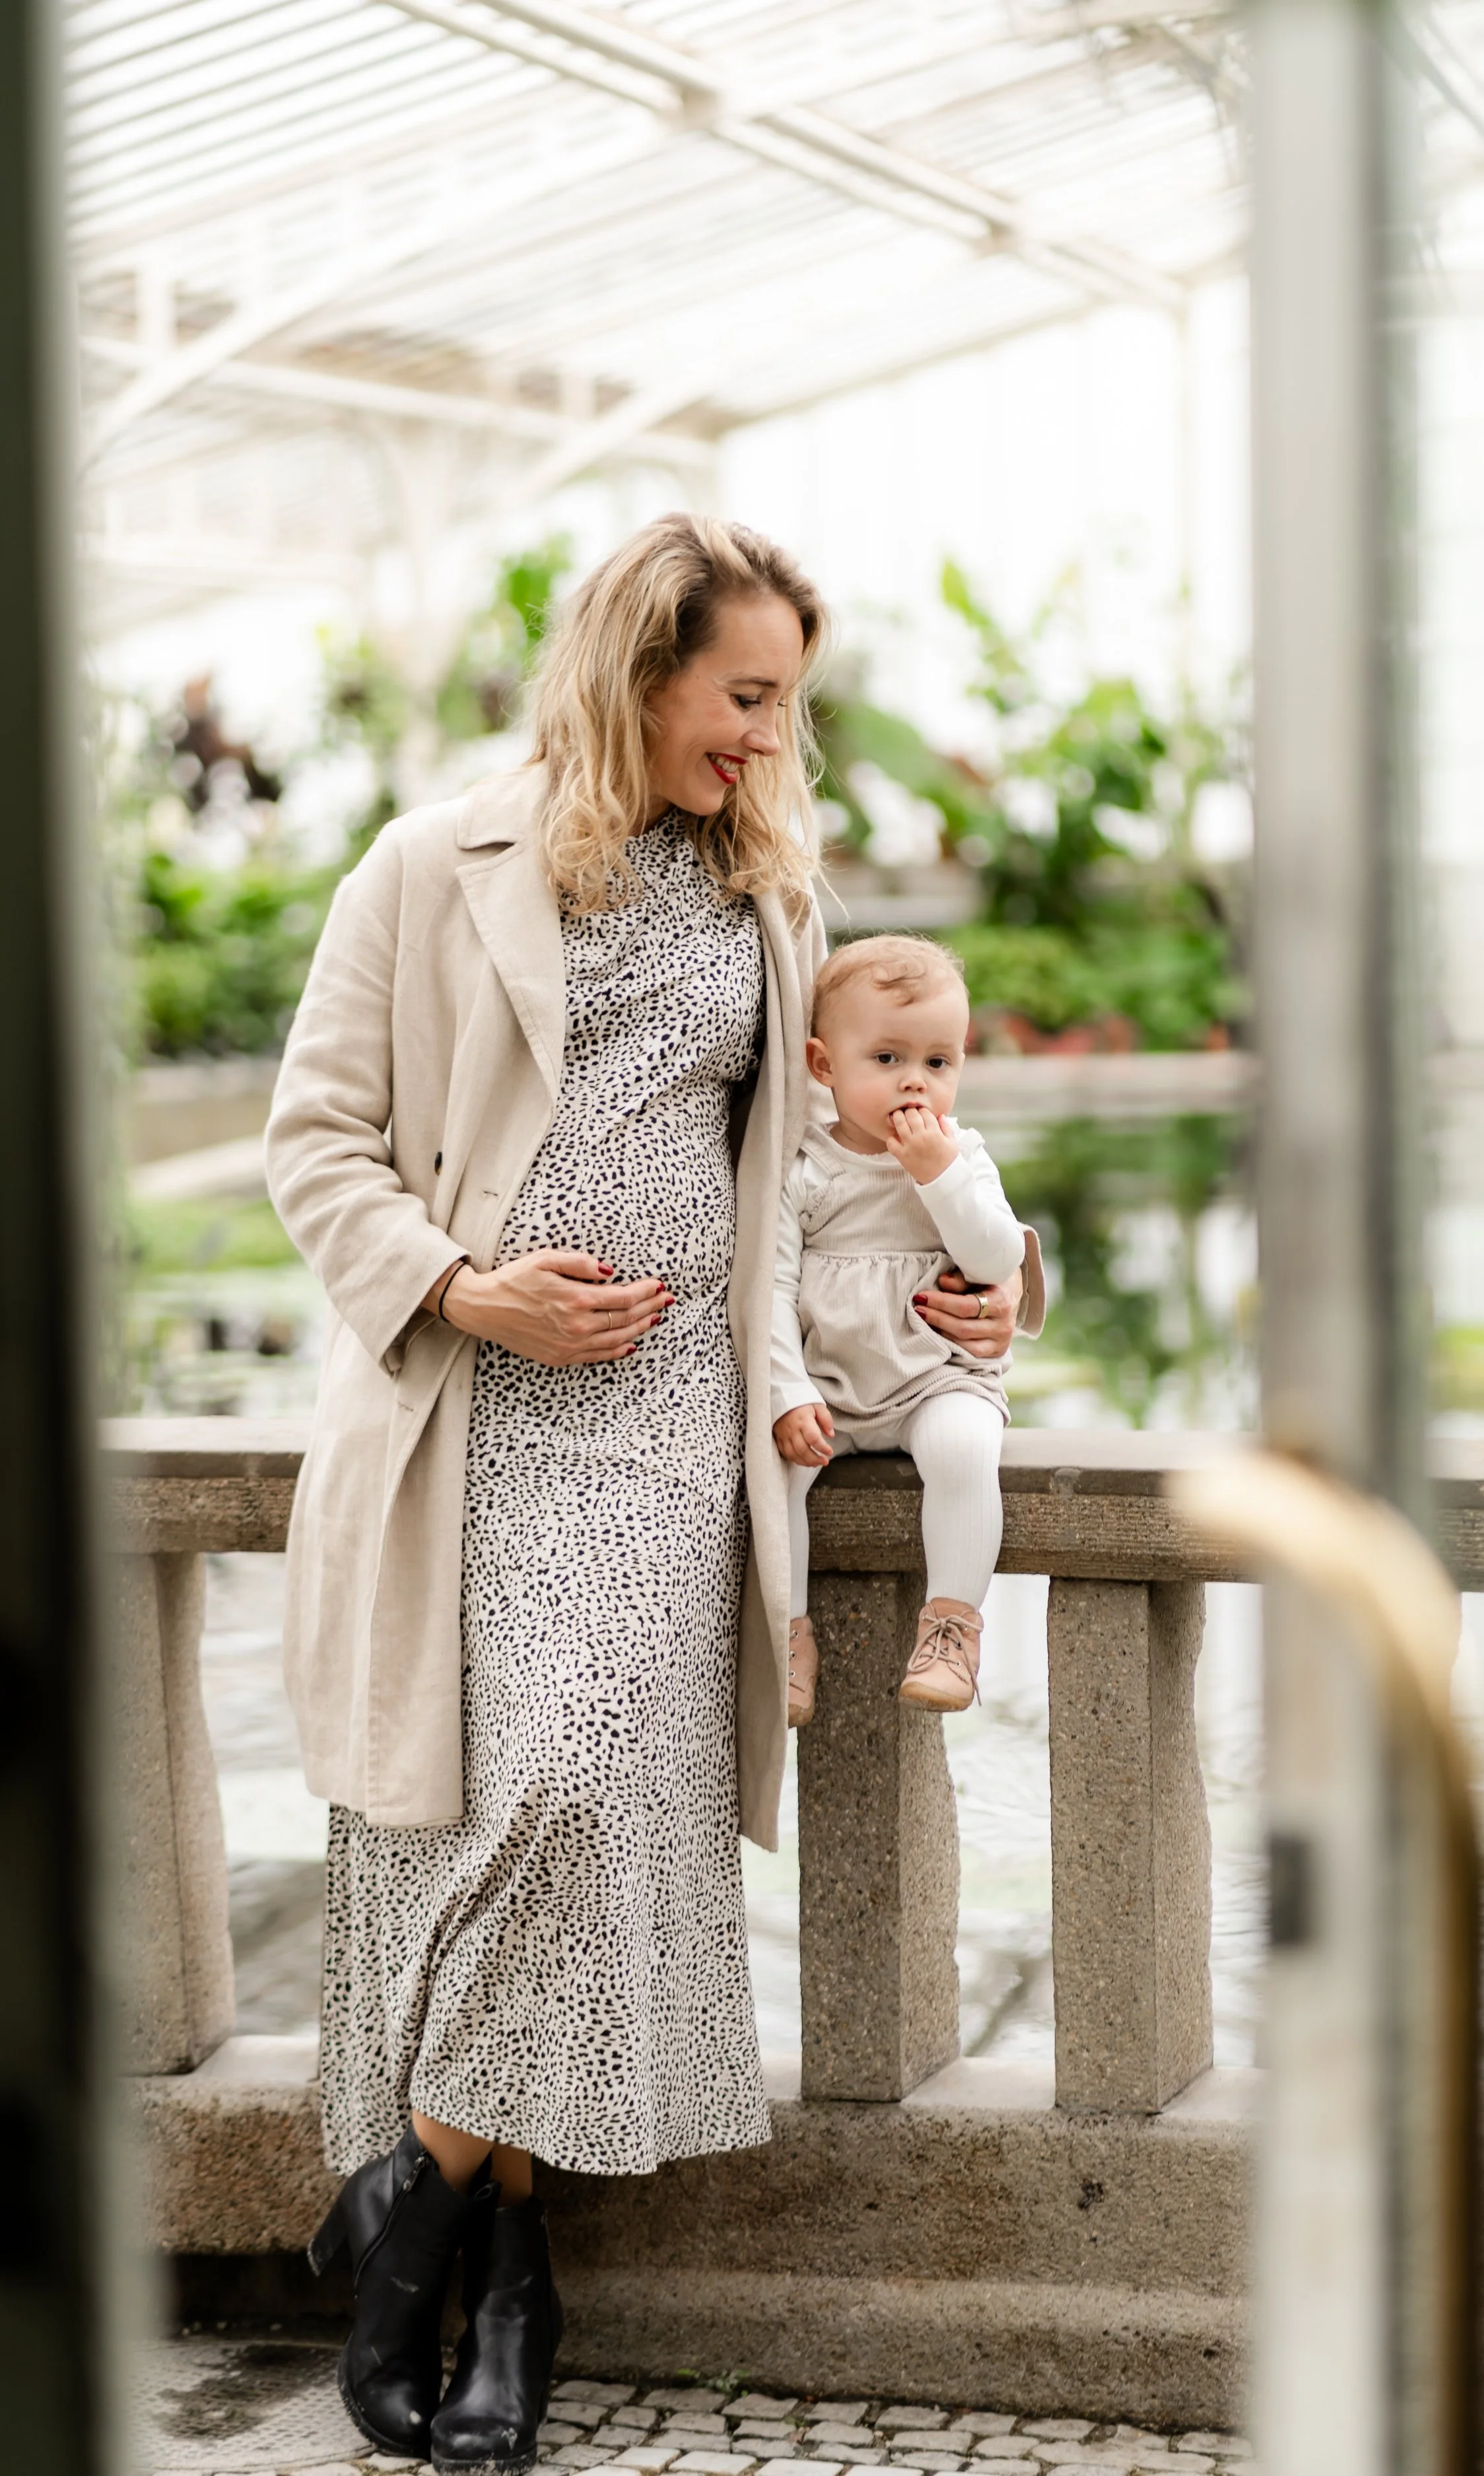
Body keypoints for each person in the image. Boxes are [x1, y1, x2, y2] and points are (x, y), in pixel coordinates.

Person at [263, 514, 1027, 2476]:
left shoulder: (766, 885)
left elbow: (866, 1132)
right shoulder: (427, 864)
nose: (769, 737)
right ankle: (500, 2268)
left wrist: (984, 1273)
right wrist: (464, 1285)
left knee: (585, 1798)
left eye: (786, 700)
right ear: (636, 669)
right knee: (503, 1820)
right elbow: (313, 1140)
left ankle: (401, 2229)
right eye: (742, 694)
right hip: (474, 1429)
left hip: (678, 1429)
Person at [773, 936, 1025, 1723]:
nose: (916, 1081)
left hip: (935, 1376)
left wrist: (938, 1176)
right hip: (831, 1385)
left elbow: (996, 1253)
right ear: (824, 1066)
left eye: (938, 1062)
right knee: (770, 1476)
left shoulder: (961, 1157)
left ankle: (950, 1630)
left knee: (962, 1449)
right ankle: (785, 1638)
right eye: (886, 1058)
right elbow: (774, 1286)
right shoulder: (805, 1169)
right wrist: (787, 1393)